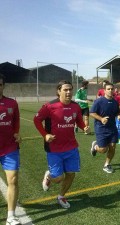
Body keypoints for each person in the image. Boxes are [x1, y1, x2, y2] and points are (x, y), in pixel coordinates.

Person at [33, 80, 90, 209]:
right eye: (65, 90)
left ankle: (61, 196)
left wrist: (84, 127)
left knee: (71, 174)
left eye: (70, 89)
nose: (69, 92)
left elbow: (79, 121)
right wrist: (45, 134)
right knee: (58, 178)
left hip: (71, 147)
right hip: (54, 148)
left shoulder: (75, 106)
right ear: (59, 91)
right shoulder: (49, 106)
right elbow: (36, 120)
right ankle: (49, 175)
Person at [0, 74, 22, 225]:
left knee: (13, 179)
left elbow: (16, 120)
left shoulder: (11, 103)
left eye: (0, 84)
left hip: (9, 147)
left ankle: (11, 216)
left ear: (3, 85)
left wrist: (16, 133)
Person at [90, 82, 120, 173]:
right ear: (104, 90)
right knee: (103, 149)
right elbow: (92, 113)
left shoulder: (115, 102)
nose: (110, 90)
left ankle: (107, 165)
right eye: (108, 89)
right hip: (101, 128)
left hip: (112, 128)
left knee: (112, 147)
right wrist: (101, 119)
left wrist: (119, 115)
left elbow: (117, 112)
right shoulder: (99, 101)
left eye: (112, 89)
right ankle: (95, 147)